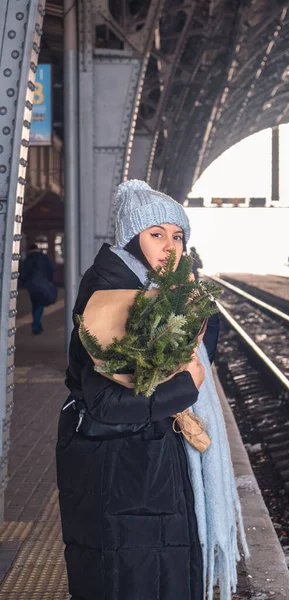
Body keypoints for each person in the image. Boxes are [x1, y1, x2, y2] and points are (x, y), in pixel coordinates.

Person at [56, 180, 248, 600]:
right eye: (156, 234)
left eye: (177, 236)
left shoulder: (161, 292)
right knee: (132, 580)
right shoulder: (110, 298)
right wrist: (186, 387)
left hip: (148, 473)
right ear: (131, 239)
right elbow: (107, 403)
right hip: (121, 476)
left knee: (160, 575)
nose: (170, 247)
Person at [19, 243, 55, 334]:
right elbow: (51, 269)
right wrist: (49, 280)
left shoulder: (28, 259)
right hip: (43, 283)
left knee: (35, 304)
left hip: (31, 286)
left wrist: (25, 283)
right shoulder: (44, 258)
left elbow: (22, 271)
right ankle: (36, 325)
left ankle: (37, 324)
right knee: (40, 304)